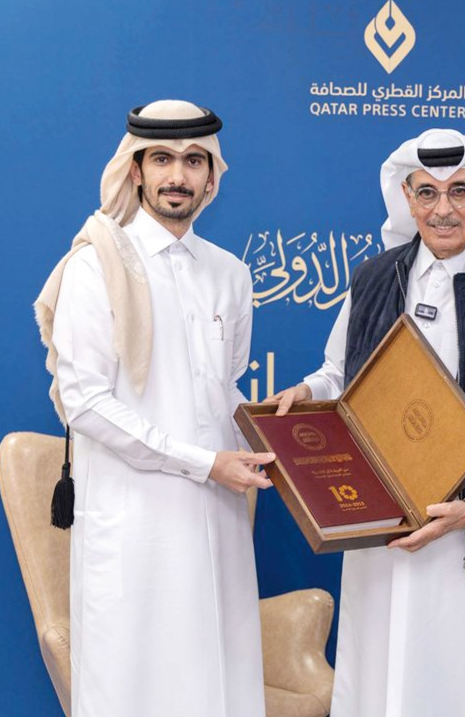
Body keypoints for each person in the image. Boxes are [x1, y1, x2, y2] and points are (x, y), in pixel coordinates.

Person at [268, 128, 465, 717]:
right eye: (426, 193)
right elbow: (340, 372)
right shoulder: (374, 278)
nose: (444, 209)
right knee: (378, 684)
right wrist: (306, 392)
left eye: (459, 191)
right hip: (381, 527)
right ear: (406, 198)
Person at [34, 100, 274, 717]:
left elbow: (223, 390)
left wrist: (281, 432)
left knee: (218, 684)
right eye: (162, 159)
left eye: (194, 161)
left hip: (217, 521)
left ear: (212, 177)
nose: (178, 175)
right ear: (135, 169)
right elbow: (85, 401)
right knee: (139, 689)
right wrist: (203, 462)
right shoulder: (96, 265)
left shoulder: (230, 274)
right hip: (136, 524)